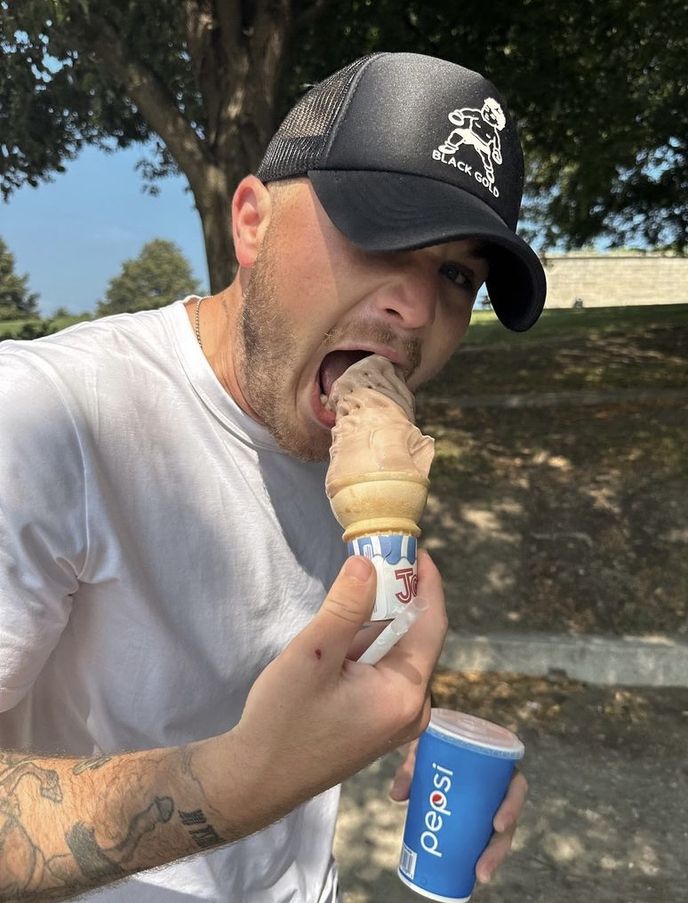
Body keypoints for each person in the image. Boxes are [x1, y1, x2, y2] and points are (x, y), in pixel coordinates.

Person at [0, 52, 545, 901]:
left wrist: (419, 728)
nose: (417, 307)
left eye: (458, 274)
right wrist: (236, 779)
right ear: (250, 221)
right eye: (377, 230)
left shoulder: (365, 466)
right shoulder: (45, 417)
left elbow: (295, 673)